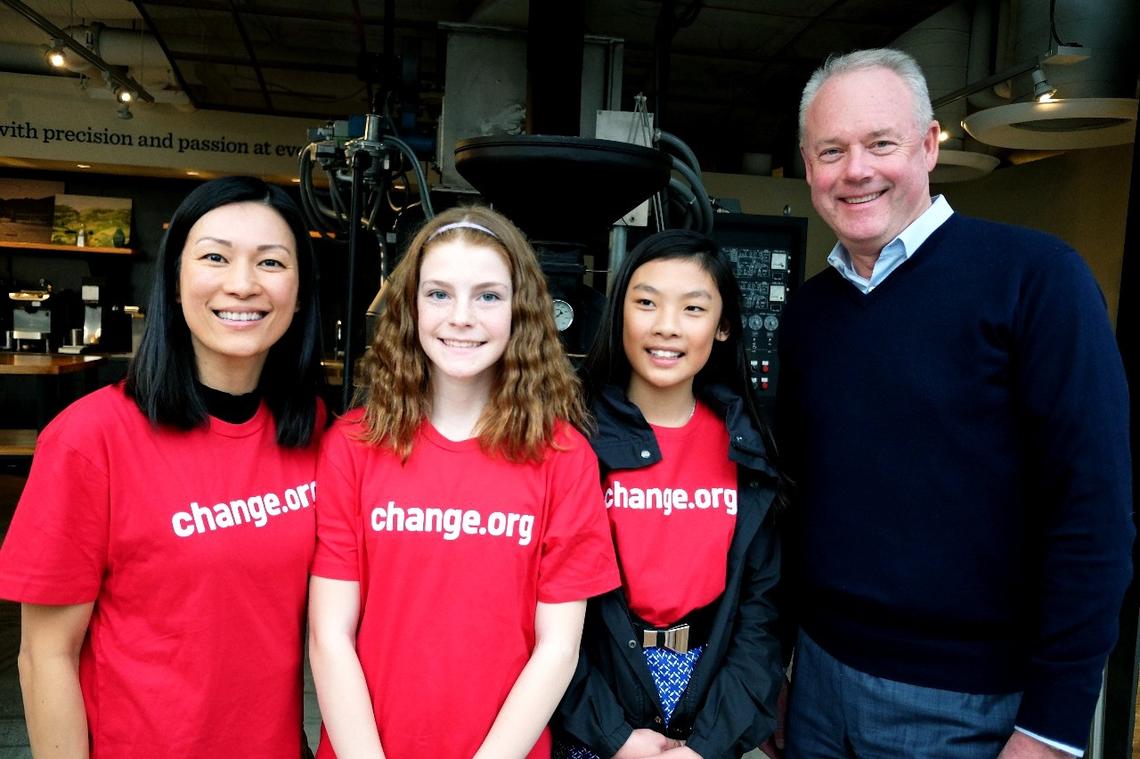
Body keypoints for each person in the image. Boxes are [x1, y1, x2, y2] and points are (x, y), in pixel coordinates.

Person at [777, 47, 1132, 758]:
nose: (857, 170)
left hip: (971, 708)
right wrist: (784, 673)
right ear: (810, 166)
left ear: (930, 143)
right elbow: (800, 505)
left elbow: (1094, 515)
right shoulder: (808, 314)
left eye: (881, 143)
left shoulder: (1037, 281)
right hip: (817, 683)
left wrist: (1052, 729)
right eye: (831, 150)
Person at [0, 175, 328, 757]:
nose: (243, 283)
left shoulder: (315, 431)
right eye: (214, 257)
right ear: (176, 282)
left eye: (272, 262)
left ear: (299, 291)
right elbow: (44, 656)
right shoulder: (89, 439)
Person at [307, 205, 620, 759]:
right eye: (439, 294)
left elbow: (558, 648)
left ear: (521, 311)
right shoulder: (353, 444)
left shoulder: (563, 456)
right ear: (410, 306)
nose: (461, 317)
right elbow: (330, 636)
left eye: (488, 296)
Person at [553, 229, 785, 759]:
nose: (666, 327)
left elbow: (761, 617)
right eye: (646, 303)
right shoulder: (571, 441)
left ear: (723, 325)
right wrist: (614, 736)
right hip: (594, 710)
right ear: (621, 314)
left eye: (693, 309)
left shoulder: (746, 448)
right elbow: (537, 612)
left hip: (709, 709)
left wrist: (705, 745)